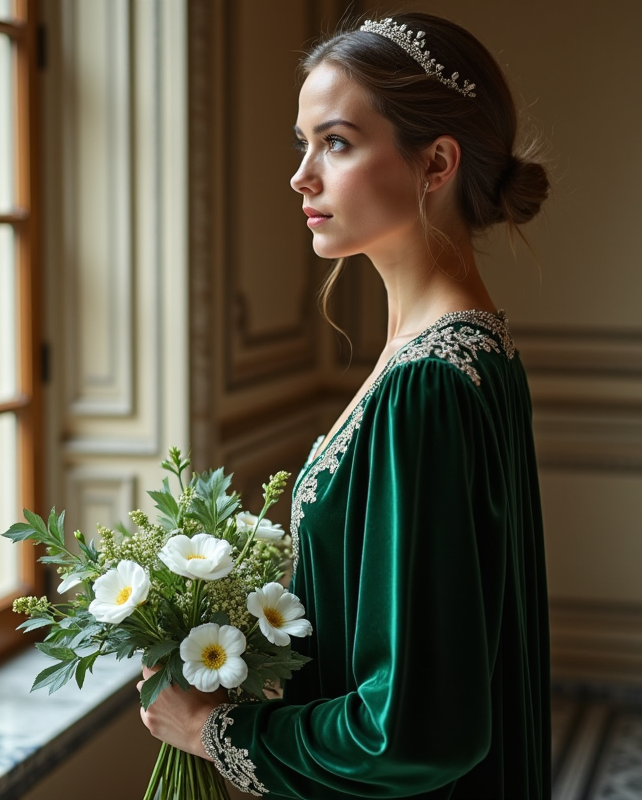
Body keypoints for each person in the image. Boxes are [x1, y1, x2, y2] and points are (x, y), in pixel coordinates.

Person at [139, 12, 550, 799]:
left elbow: (415, 729)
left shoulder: (428, 385)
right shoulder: (472, 350)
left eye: (336, 142)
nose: (301, 175)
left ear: (436, 163)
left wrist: (209, 731)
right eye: (304, 143)